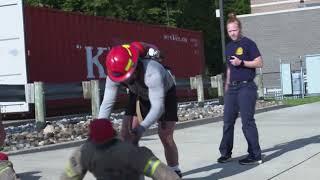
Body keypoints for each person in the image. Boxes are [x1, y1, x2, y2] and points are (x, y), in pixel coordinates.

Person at [98, 42, 182, 177]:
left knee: (165, 135)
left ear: (134, 66)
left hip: (164, 94)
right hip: (137, 92)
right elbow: (107, 103)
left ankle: (175, 171)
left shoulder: (152, 72)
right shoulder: (115, 73)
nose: (124, 80)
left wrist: (142, 128)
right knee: (127, 135)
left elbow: (158, 107)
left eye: (126, 76)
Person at [61, 119, 180, 180]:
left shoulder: (85, 152)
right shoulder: (132, 152)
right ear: (114, 134)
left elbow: (69, 176)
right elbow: (164, 174)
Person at [217, 13, 263, 165]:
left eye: (234, 30)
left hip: (246, 86)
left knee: (247, 121)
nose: (232, 33)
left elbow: (259, 62)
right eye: (229, 31)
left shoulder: (249, 43)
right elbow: (229, 69)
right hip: (232, 88)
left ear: (240, 29)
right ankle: (226, 153)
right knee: (228, 121)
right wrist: (226, 87)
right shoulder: (229, 47)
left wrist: (242, 63)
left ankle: (255, 155)